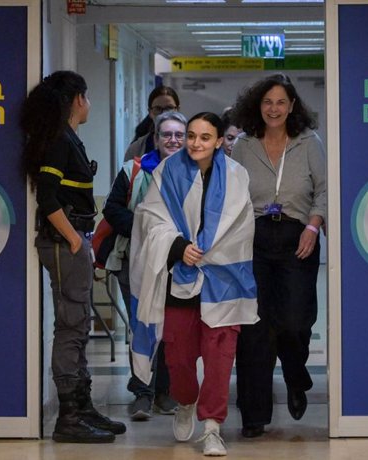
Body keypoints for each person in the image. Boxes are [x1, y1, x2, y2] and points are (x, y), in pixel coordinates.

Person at [128, 112, 259, 457]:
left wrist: (209, 251)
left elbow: (243, 228)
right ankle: (185, 401)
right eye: (191, 136)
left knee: (219, 359)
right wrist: (177, 247)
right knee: (180, 360)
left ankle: (212, 426)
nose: (195, 143)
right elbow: (149, 219)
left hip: (224, 281)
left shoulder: (236, 176)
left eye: (205, 137)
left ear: (218, 141)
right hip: (180, 282)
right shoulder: (167, 172)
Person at [20, 70, 126, 443]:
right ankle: (69, 417)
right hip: (65, 243)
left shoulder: (67, 138)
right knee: (70, 325)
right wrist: (75, 241)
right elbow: (47, 198)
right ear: (78, 99)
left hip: (72, 241)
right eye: (88, 96)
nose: (90, 103)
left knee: (78, 324)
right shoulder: (58, 141)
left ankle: (82, 408)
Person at [231, 73, 326, 438]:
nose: (274, 109)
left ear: (292, 107)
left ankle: (296, 376)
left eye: (281, 102)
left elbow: (323, 190)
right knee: (254, 328)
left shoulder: (308, 143)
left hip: (297, 236)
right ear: (258, 105)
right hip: (252, 240)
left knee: (294, 321)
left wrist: (313, 226)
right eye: (268, 102)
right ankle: (254, 415)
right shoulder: (243, 145)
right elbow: (233, 194)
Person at [102, 111, 188, 421]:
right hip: (134, 262)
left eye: (179, 134)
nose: (173, 140)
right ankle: (142, 393)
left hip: (176, 265)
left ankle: (164, 392)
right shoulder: (134, 170)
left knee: (169, 330)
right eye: (167, 134)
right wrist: (144, 227)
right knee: (142, 326)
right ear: (155, 138)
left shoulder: (195, 173)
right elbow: (111, 209)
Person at [124, 86, 180, 161]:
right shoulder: (136, 149)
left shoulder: (192, 146)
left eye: (169, 108)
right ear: (150, 112)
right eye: (158, 109)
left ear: (178, 110)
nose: (163, 114)